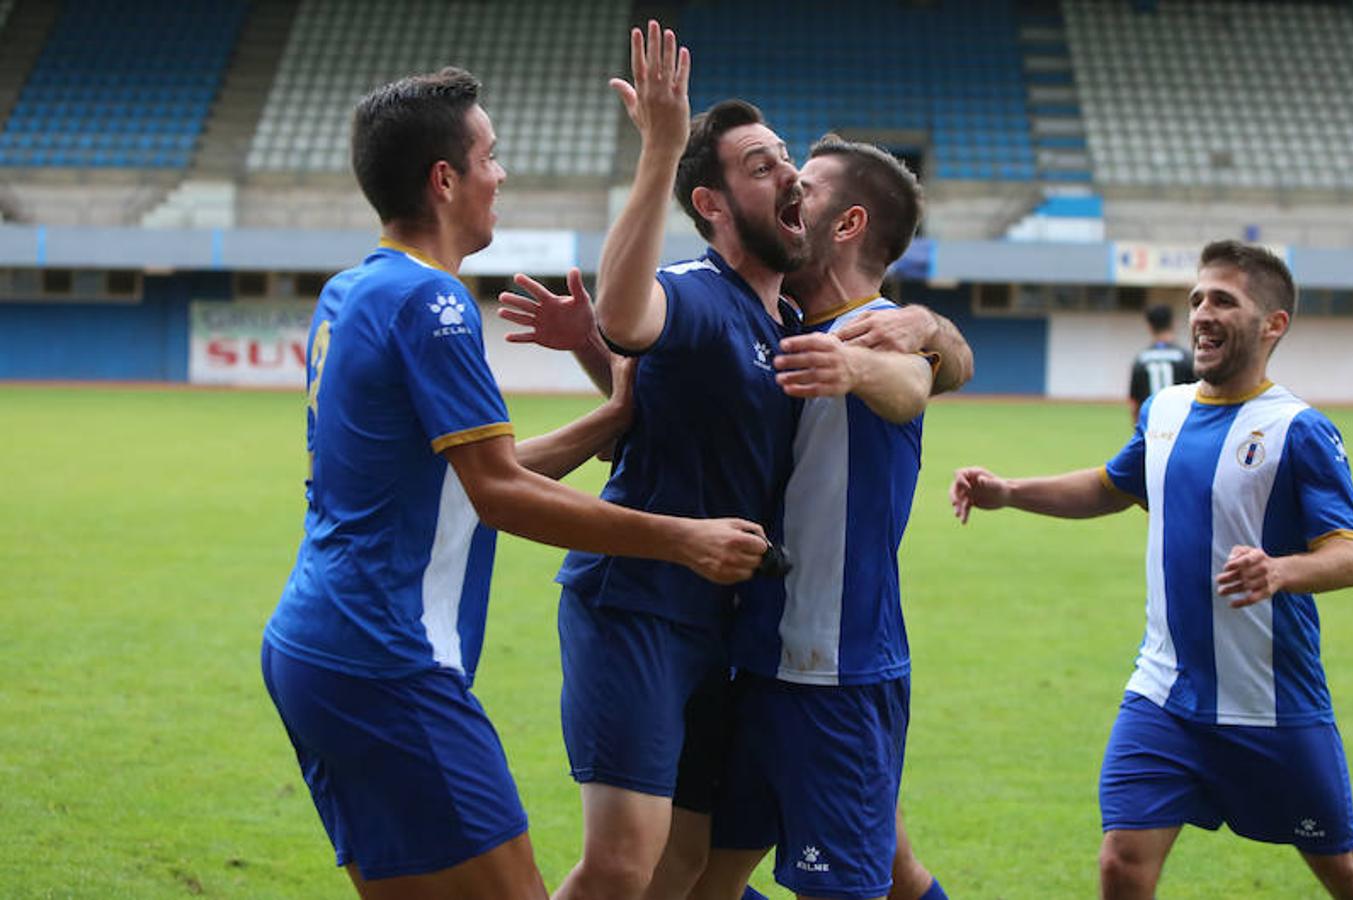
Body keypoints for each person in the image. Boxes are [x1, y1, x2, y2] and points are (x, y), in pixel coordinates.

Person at [260, 67, 768, 900]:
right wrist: (685, 537)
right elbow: (500, 494)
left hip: (314, 648)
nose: (501, 176)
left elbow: (454, 480)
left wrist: (610, 422)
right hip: (390, 661)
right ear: (445, 179)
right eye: (490, 157)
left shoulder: (354, 289)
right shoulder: (435, 302)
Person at [950, 240, 1353, 900]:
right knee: (1121, 863)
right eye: (1195, 299)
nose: (1201, 313)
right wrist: (1009, 492)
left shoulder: (1297, 429)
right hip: (1163, 694)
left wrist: (1280, 571)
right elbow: (1111, 487)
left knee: (1348, 876)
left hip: (1268, 702)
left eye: (1223, 300)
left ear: (1272, 324)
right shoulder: (1165, 411)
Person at [549, 23, 809, 900]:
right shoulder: (701, 295)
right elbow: (626, 314)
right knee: (622, 862)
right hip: (636, 608)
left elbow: (647, 392)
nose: (790, 173)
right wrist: (661, 148)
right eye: (763, 165)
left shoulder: (795, 328)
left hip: (723, 628)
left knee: (683, 867)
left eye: (787, 158)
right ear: (712, 203)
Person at [688, 135, 970, 900]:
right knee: (689, 880)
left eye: (803, 186)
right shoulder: (772, 318)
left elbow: (910, 382)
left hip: (832, 668)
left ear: (845, 225)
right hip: (751, 657)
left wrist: (875, 356)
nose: (784, 188)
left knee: (851, 885)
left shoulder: (874, 329)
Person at [1128, 303, 1194, 424]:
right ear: (1173, 323)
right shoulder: (1187, 358)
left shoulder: (1141, 360)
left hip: (1152, 428)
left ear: (1149, 326)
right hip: (1181, 427)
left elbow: (1134, 404)